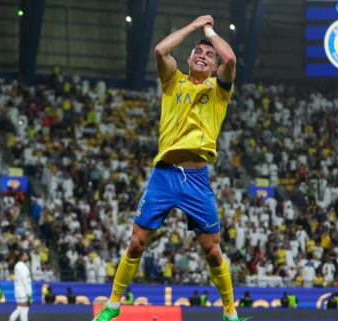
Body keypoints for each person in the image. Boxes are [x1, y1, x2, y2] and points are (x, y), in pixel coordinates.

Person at [92, 14, 239, 321]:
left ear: (214, 67)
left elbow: (230, 57)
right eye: (198, 52)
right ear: (188, 59)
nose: (203, 55)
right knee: (136, 243)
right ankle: (113, 305)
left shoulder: (218, 91)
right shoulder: (173, 81)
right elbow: (160, 51)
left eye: (209, 55)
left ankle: (230, 312)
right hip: (164, 175)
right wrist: (194, 27)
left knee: (213, 251)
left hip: (197, 180)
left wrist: (209, 32)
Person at [9, 251, 32, 321]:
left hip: (20, 291)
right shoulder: (21, 266)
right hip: (23, 291)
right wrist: (29, 293)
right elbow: (25, 280)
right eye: (25, 255)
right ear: (21, 257)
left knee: (20, 308)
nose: (27, 256)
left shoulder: (19, 265)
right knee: (25, 309)